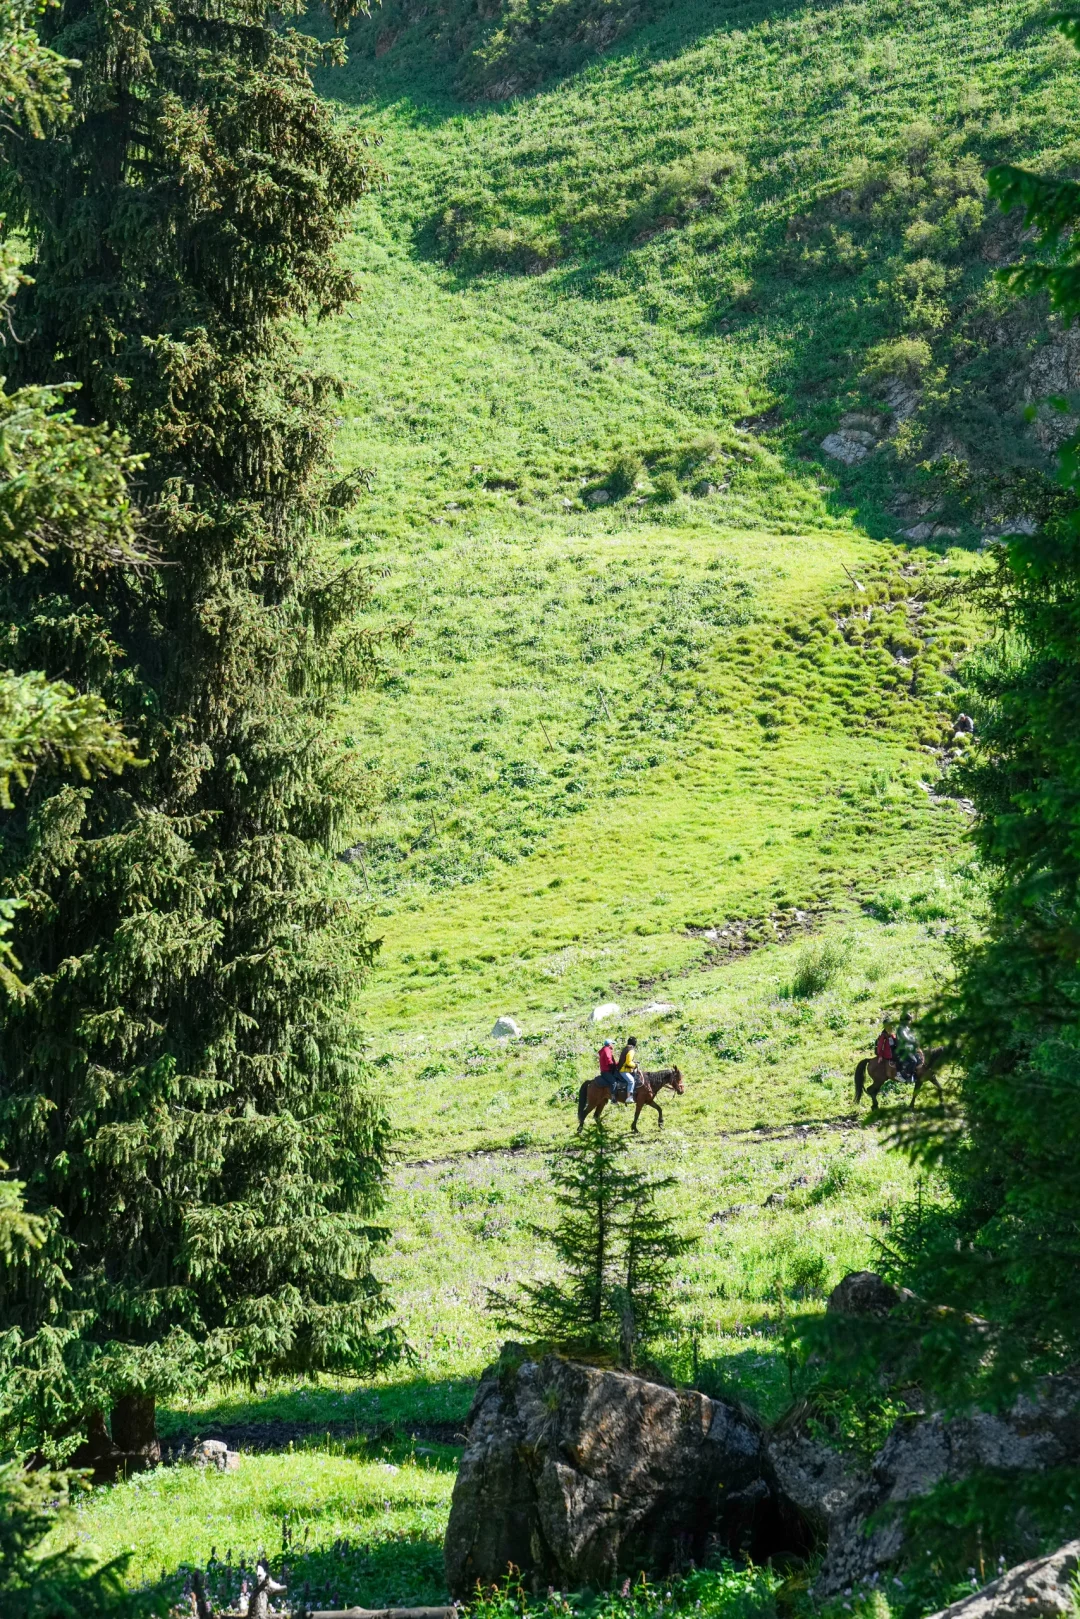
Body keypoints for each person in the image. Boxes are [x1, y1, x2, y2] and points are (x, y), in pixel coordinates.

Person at [894, 1012, 920, 1081]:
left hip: (909, 1048)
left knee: (920, 1058)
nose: (910, 1022)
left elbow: (912, 1037)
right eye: (909, 1020)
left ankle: (915, 1074)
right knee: (913, 1061)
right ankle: (907, 1075)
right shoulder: (900, 1029)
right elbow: (905, 1038)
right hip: (903, 1050)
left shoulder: (907, 1028)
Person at [615, 1036, 639, 1102]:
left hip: (623, 1068)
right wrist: (635, 1065)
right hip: (623, 1070)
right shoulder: (631, 1050)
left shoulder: (626, 1048)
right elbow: (628, 1062)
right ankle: (629, 1097)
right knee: (631, 1081)